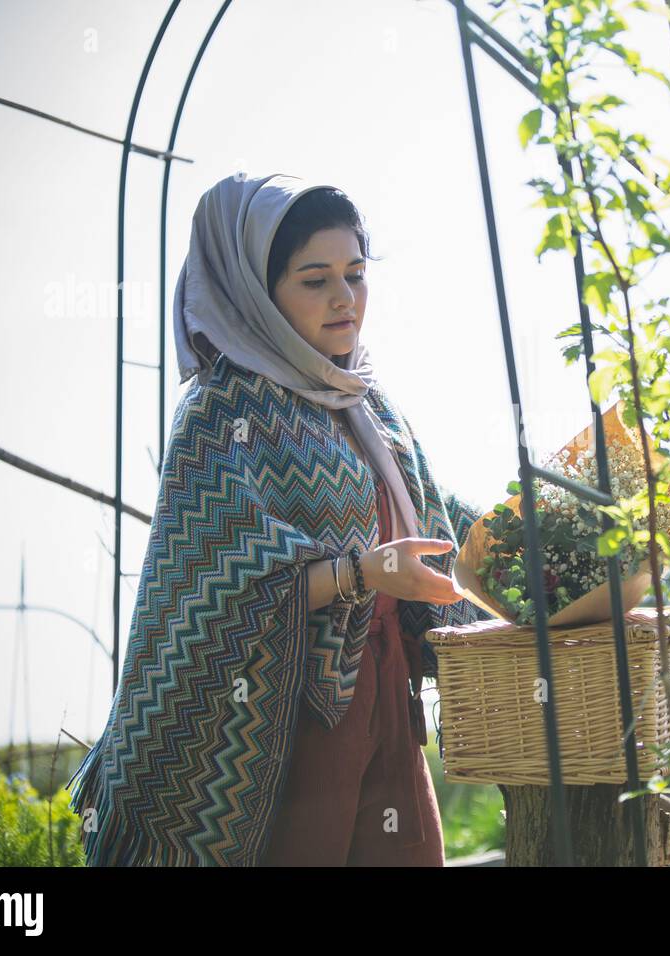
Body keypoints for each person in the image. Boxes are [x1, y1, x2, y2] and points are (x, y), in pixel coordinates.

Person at [65, 172, 493, 866]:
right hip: (282, 726)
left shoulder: (366, 403)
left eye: (355, 274)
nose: (344, 299)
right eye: (314, 279)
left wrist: (545, 537)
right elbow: (209, 585)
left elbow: (436, 514)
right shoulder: (223, 413)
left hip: (383, 701)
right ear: (260, 293)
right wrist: (362, 572)